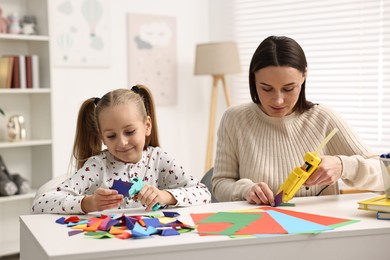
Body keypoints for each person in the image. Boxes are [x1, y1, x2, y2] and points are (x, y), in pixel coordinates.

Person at [212, 35, 383, 206]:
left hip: (318, 228)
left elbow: (385, 175)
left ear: (304, 76)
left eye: (288, 88)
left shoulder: (323, 118)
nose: (278, 100)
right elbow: (220, 183)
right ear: (253, 79)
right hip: (257, 228)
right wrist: (245, 189)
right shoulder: (234, 119)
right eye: (266, 88)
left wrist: (343, 166)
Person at [32, 85, 211, 214]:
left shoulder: (159, 160)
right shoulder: (97, 166)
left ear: (147, 125)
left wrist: (165, 196)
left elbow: (203, 193)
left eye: (130, 131)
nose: (122, 142)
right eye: (111, 136)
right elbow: (41, 202)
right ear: (101, 136)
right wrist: (89, 203)